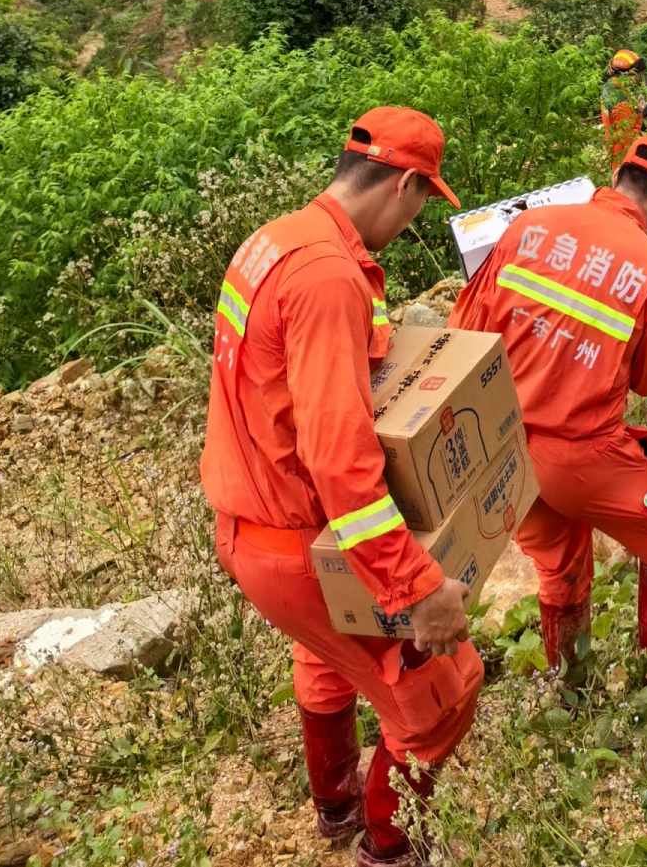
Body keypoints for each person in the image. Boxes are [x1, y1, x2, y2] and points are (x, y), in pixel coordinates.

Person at [201, 108, 480, 867]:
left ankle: (334, 802)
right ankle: (388, 848)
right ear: (405, 183)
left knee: (326, 657)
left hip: (248, 525)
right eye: (424, 198)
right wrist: (417, 588)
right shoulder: (329, 276)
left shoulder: (277, 239)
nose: (418, 214)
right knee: (444, 692)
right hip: (298, 540)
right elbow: (340, 463)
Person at [451, 134, 647, 672]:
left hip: (502, 447)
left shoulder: (524, 228)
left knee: (560, 566)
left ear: (616, 178)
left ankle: (569, 693)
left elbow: (466, 329)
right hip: (580, 459)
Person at [600, 49, 647, 172]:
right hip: (623, 161)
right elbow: (627, 141)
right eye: (638, 74)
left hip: (614, 152)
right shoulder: (622, 106)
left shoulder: (611, 85)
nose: (639, 78)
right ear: (627, 75)